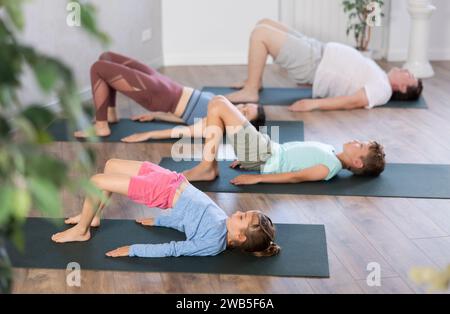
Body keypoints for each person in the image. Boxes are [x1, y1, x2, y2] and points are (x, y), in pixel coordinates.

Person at [52, 159, 280, 258]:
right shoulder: (223, 221)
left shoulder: (211, 243)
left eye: (242, 217)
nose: (238, 212)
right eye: (243, 213)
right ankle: (94, 218)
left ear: (239, 237)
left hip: (162, 192)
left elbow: (173, 248)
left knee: (97, 181)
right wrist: (159, 221)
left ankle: (81, 231)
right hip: (172, 179)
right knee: (111, 165)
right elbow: (188, 218)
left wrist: (133, 250)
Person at [226, 19, 423, 111]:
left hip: (314, 64)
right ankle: (255, 81)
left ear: (404, 88)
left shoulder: (383, 89)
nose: (406, 70)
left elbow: (354, 101)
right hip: (317, 49)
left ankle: (251, 90)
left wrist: (314, 104)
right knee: (265, 22)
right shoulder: (381, 75)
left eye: (409, 75)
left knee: (261, 33)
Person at [183, 96, 386, 185]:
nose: (356, 141)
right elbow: (289, 154)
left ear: (357, 162)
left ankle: (207, 167)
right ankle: (208, 166)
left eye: (360, 146)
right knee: (217, 104)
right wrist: (249, 162)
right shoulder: (330, 150)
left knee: (218, 104)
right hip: (263, 149)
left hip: (263, 154)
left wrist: (258, 178)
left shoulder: (329, 167)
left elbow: (295, 176)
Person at [75, 52, 266, 139]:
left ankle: (102, 126)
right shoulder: (224, 106)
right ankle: (110, 114)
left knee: (98, 69)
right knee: (106, 58)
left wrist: (148, 134)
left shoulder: (218, 125)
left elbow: (185, 131)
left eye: (246, 114)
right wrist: (156, 116)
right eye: (246, 106)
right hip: (165, 84)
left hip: (159, 93)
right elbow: (186, 118)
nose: (241, 109)